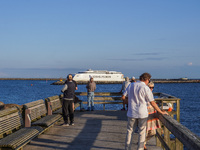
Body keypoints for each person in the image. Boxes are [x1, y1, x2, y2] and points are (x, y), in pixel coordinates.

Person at [122, 73, 168, 150]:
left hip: (131, 112)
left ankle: (127, 148)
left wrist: (130, 101)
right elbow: (152, 102)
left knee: (130, 132)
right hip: (142, 113)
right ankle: (140, 149)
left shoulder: (131, 85)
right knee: (142, 133)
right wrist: (160, 112)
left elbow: (123, 97)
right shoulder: (145, 88)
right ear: (147, 79)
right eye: (149, 80)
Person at [144, 81, 161, 150]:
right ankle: (143, 145)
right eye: (150, 87)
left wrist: (158, 111)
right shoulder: (145, 93)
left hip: (152, 113)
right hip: (146, 114)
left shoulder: (150, 93)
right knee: (146, 131)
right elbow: (152, 103)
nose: (151, 89)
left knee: (153, 132)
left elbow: (153, 103)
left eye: (152, 87)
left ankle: (143, 142)